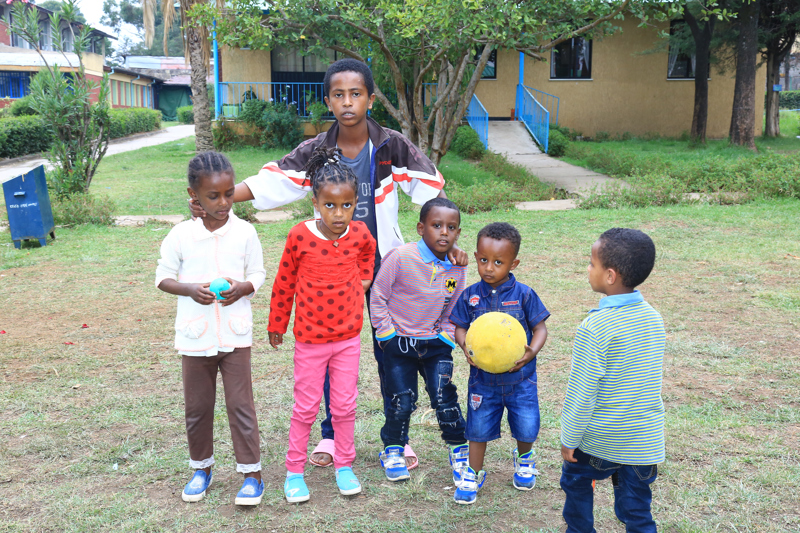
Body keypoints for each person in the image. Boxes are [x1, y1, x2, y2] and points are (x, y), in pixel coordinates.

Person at [190, 58, 466, 470]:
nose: (348, 102)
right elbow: (275, 180)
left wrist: (446, 242)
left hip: (388, 272)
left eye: (356, 94)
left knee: (392, 356)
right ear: (328, 101)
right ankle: (331, 435)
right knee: (327, 354)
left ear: (371, 99)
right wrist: (225, 196)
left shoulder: (391, 145)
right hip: (333, 279)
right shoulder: (316, 149)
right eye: (339, 95)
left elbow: (431, 190)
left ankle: (398, 438)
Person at [156, 152, 266, 506]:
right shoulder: (181, 235)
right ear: (194, 196)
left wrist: (244, 288)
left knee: (241, 406)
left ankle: (252, 474)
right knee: (198, 408)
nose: (223, 203)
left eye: (229, 194)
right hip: (194, 338)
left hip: (235, 337)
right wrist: (189, 289)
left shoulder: (245, 232)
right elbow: (162, 277)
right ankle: (201, 468)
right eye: (213, 196)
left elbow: (258, 274)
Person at [267, 147, 376, 503]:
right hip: (310, 342)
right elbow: (284, 282)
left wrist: (363, 278)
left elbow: (368, 253)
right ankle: (294, 471)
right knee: (306, 407)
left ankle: (344, 465)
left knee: (344, 406)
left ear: (355, 202)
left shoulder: (359, 234)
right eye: (330, 205)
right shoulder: (299, 236)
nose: (339, 213)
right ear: (315, 201)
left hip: (348, 340)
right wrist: (277, 323)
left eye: (346, 205)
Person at [560, 228, 665, 532]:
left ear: (609, 276)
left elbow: (582, 392)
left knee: (576, 485)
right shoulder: (654, 318)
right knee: (638, 513)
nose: (587, 269)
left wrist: (570, 436)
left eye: (591, 264)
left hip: (600, 440)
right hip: (643, 443)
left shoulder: (595, 327)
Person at [369, 197, 469, 482]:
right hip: (398, 343)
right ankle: (393, 450)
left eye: (452, 227)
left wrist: (448, 338)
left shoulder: (457, 267)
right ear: (420, 228)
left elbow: (455, 307)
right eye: (437, 226)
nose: (444, 233)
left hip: (435, 345)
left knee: (444, 398)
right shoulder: (401, 257)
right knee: (402, 401)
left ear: (458, 233)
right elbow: (378, 296)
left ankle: (460, 452)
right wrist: (387, 335)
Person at [449, 222, 550, 505]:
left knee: (527, 425)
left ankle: (525, 458)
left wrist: (532, 352)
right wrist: (464, 344)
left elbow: (540, 329)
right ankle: (474, 472)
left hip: (521, 380)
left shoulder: (525, 294)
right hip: (484, 381)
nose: (489, 268)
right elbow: (458, 326)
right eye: (483, 260)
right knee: (477, 428)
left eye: (498, 262)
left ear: (513, 262)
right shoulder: (470, 295)